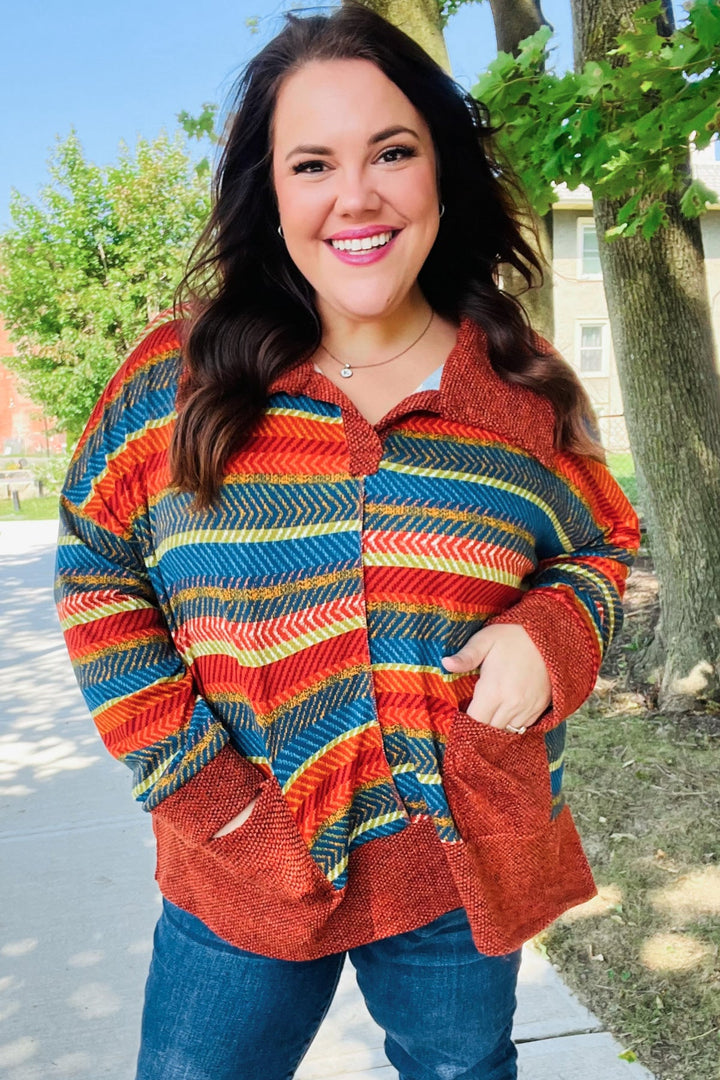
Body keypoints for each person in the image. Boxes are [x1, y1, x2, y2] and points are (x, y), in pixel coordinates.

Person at [54, 4, 640, 1079]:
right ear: (269, 194)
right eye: (313, 163)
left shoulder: (515, 388)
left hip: (455, 858)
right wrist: (209, 801)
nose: (357, 195)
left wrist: (552, 632)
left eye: (393, 151)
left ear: (440, 173)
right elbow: (97, 571)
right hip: (240, 859)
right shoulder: (176, 380)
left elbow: (603, 544)